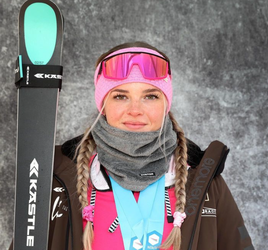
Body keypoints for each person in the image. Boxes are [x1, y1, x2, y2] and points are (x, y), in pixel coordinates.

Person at [9, 41, 255, 250]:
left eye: (150, 96)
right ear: (103, 105)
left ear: (165, 104)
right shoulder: (54, 179)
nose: (135, 110)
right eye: (120, 96)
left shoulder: (206, 181)